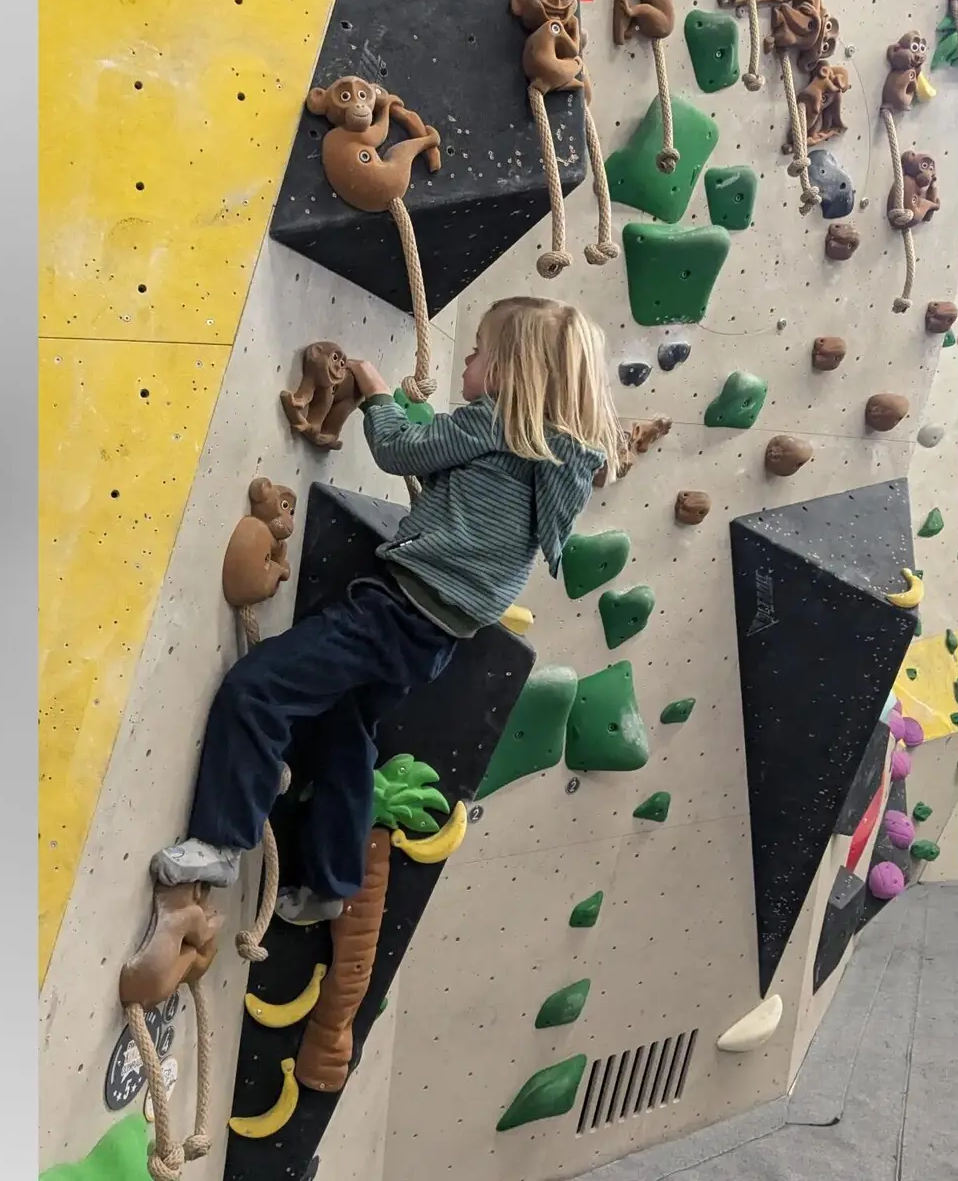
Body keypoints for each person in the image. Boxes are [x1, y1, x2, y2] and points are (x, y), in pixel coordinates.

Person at [151, 296, 620, 922]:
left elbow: (400, 450)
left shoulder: (493, 420)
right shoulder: (550, 455)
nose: (468, 361)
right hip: (436, 638)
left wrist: (373, 389)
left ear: (511, 371)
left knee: (255, 689)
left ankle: (220, 842)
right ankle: (331, 884)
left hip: (396, 611)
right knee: (345, 734)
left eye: (478, 350)